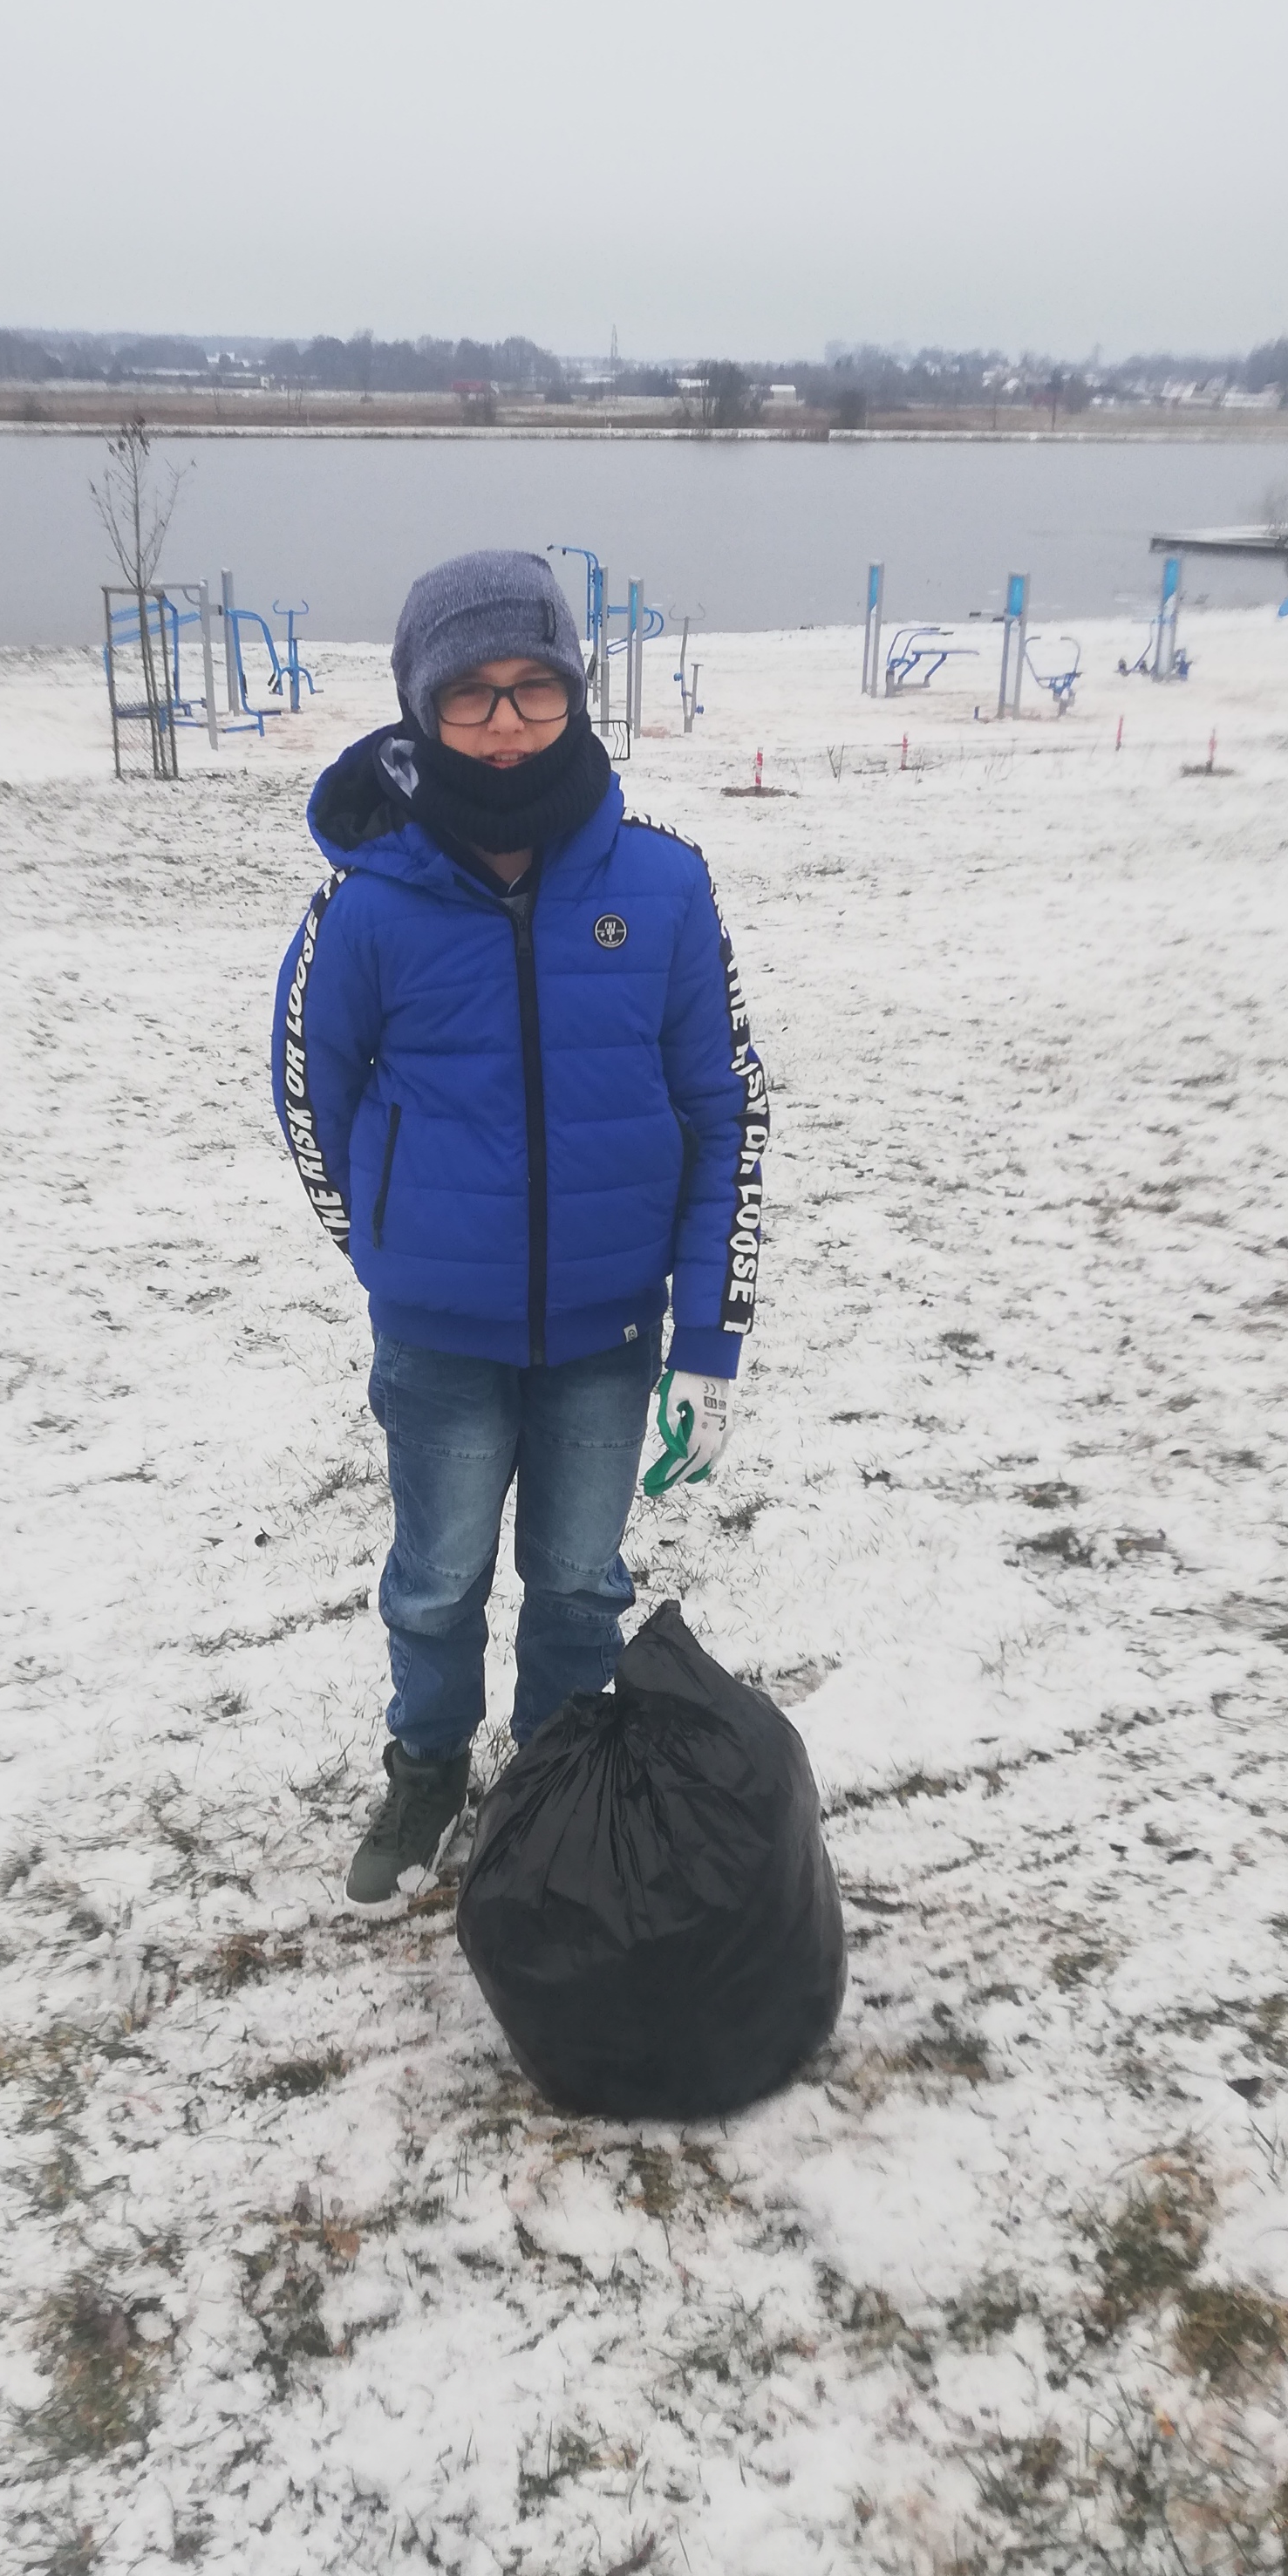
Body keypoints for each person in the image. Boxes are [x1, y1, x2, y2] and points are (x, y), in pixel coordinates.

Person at [271, 549, 767, 1913]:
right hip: (440, 1342)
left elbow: (725, 1106)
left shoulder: (663, 887)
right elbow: (315, 1098)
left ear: (573, 695)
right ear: (421, 708)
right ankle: (428, 1769)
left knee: (576, 1587)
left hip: (609, 1335)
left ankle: (553, 1786)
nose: (506, 723)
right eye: (473, 695)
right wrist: (386, 1249)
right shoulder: (364, 904)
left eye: (534, 690)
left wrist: (709, 1336)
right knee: (435, 1583)